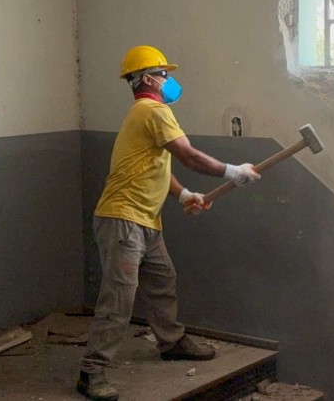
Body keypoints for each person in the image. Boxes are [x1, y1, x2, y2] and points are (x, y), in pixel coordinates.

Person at [77, 45, 261, 401]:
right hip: (122, 219)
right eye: (164, 74)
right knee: (119, 298)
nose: (169, 81)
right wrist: (231, 171)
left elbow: (158, 166)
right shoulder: (153, 110)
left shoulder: (143, 114)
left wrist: (183, 195)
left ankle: (172, 342)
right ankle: (92, 371)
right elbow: (188, 155)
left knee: (162, 281)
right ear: (148, 78)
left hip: (144, 217)